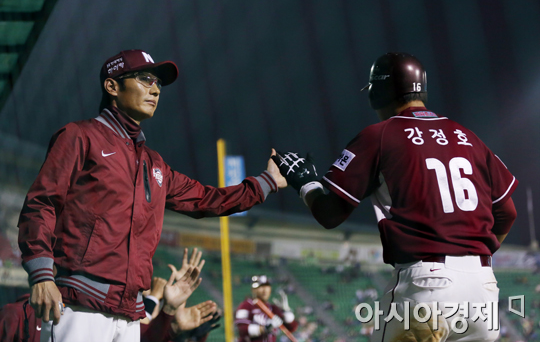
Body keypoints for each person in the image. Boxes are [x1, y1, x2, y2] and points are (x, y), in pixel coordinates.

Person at [17, 49, 286, 342]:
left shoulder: (154, 163)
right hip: (79, 307)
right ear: (112, 87)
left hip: (131, 314)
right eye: (145, 79)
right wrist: (41, 274)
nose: (155, 89)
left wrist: (267, 181)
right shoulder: (79, 136)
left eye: (158, 83)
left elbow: (207, 199)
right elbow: (41, 203)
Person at [274, 52, 518, 342]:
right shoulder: (468, 136)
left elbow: (330, 214)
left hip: (426, 285)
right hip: (483, 288)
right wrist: (470, 256)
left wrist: (305, 183)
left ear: (379, 91)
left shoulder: (381, 134)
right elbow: (507, 212)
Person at [235, 275, 298, 342]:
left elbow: (291, 328)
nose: (264, 290)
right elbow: (241, 330)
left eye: (267, 286)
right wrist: (265, 328)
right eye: (261, 287)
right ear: (253, 290)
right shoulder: (246, 305)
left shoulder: (273, 308)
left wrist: (286, 311)